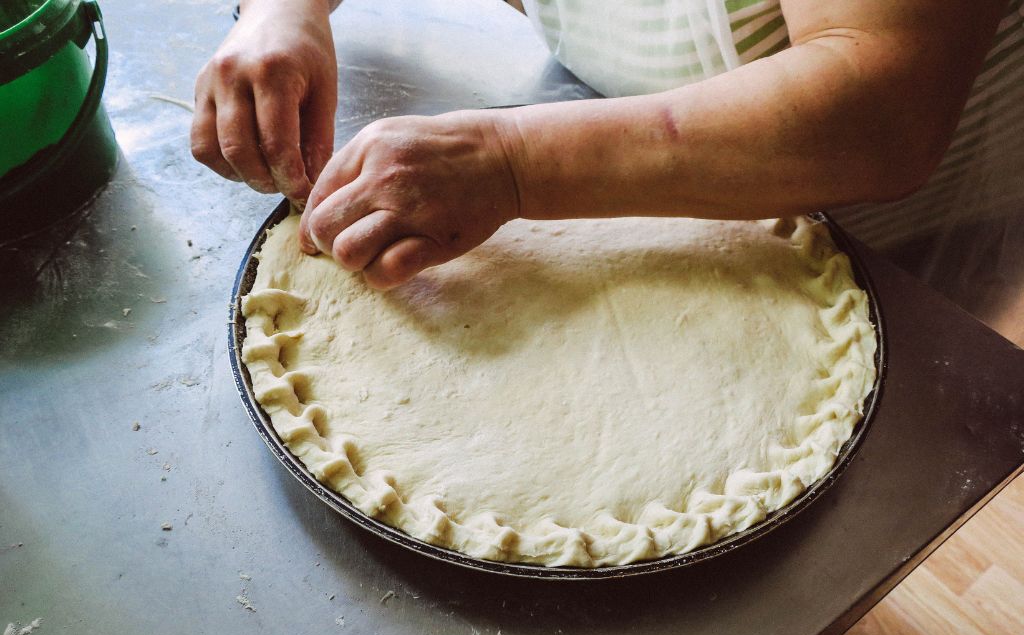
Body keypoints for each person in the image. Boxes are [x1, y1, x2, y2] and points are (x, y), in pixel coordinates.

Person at [192, 0, 1020, 291]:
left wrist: (512, 162)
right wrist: (285, 8)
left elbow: (882, 108)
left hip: (880, 220)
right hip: (600, 105)